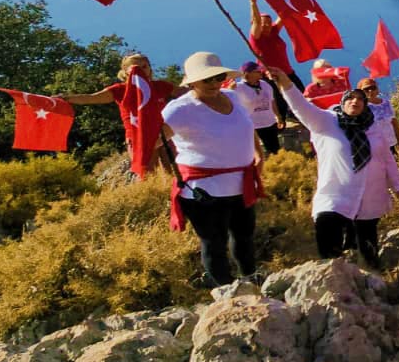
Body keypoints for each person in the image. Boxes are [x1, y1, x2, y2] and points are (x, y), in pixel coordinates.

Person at [160, 52, 262, 287]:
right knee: (214, 242)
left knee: (244, 236)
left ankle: (250, 279)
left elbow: (247, 127)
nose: (215, 84)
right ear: (192, 82)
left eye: (219, 77)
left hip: (241, 183)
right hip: (204, 191)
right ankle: (224, 290)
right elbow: (153, 142)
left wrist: (259, 154)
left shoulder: (233, 97)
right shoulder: (179, 109)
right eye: (207, 80)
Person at [277, 75, 395, 267]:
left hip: (366, 195)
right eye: (350, 98)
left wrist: (397, 185)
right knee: (329, 246)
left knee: (367, 246)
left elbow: (386, 157)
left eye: (360, 99)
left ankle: (373, 283)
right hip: (334, 195)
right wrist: (285, 84)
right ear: (342, 102)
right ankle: (338, 285)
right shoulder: (325, 121)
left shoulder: (371, 127)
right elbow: (300, 107)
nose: (355, 101)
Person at [60, 53, 185, 173]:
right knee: (147, 173)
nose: (141, 70)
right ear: (126, 71)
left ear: (150, 69)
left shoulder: (160, 86)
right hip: (137, 136)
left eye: (144, 67)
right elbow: (91, 98)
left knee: (175, 171)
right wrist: (65, 98)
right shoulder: (120, 90)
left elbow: (185, 93)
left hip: (164, 134)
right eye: (135, 68)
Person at [359, 76, 399, 195]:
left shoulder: (387, 103)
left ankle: (397, 193)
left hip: (391, 143)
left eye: (373, 88)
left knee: (396, 170)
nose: (370, 91)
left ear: (377, 89)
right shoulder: (362, 108)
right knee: (380, 172)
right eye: (366, 89)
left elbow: (394, 122)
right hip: (375, 146)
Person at [228, 62, 284, 155]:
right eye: (257, 71)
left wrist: (278, 116)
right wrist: (230, 89)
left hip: (270, 122)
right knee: (256, 152)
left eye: (260, 70)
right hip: (253, 125)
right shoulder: (239, 87)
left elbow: (272, 101)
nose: (260, 72)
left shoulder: (265, 84)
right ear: (247, 73)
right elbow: (228, 101)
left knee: (275, 150)